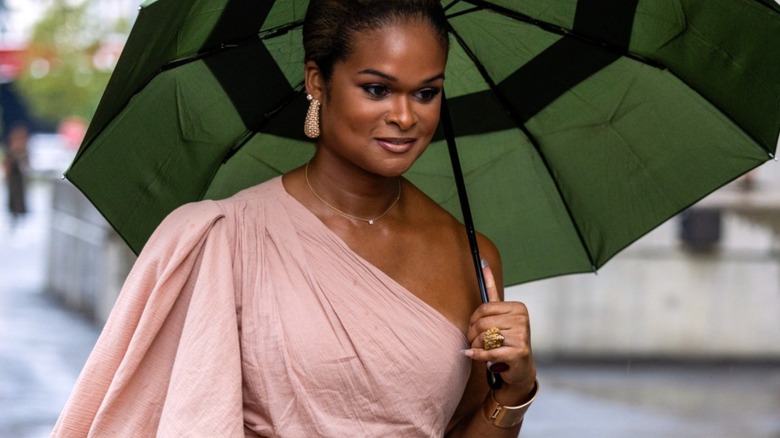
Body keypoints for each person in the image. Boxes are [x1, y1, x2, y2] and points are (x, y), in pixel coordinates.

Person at [52, 0, 537, 436]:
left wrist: (513, 393)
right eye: (376, 89)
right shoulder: (223, 239)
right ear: (317, 82)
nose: (406, 117)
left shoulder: (472, 257)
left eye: (426, 93)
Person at [3, 123, 29, 228]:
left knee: (19, 199)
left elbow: (26, 165)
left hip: (19, 179)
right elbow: (7, 164)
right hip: (13, 180)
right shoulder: (11, 151)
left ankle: (19, 217)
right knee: (13, 199)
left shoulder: (24, 152)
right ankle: (14, 216)